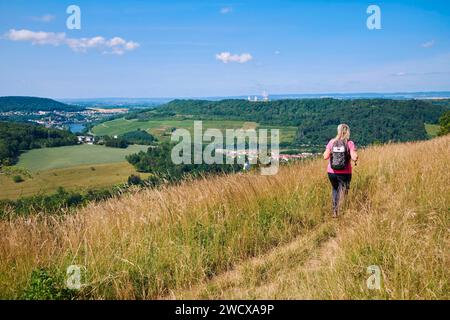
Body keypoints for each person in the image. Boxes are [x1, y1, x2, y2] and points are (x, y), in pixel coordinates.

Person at [323, 124, 358, 217]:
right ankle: (342, 210)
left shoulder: (332, 142)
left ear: (338, 131)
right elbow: (354, 156)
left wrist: (331, 151)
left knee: (335, 189)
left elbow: (325, 156)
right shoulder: (349, 143)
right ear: (348, 132)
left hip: (332, 172)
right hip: (345, 172)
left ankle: (335, 211)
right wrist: (355, 157)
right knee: (344, 191)